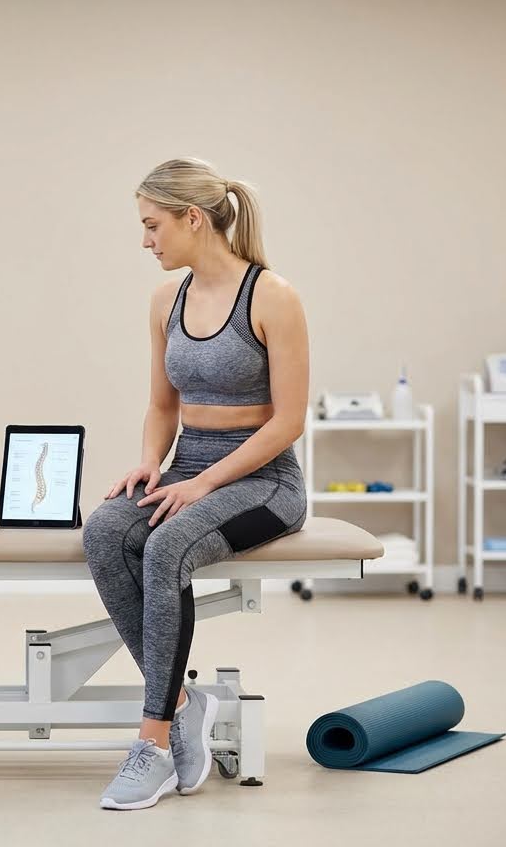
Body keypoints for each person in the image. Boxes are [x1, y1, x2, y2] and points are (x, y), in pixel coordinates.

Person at [82, 157, 310, 810]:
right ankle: (184, 701)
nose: (145, 239)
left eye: (152, 225)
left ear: (192, 217)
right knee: (105, 530)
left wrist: (203, 483)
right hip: (189, 466)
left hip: (263, 479)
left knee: (165, 547)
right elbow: (161, 406)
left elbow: (288, 422)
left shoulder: (273, 297)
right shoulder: (166, 300)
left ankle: (152, 742)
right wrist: (153, 463)